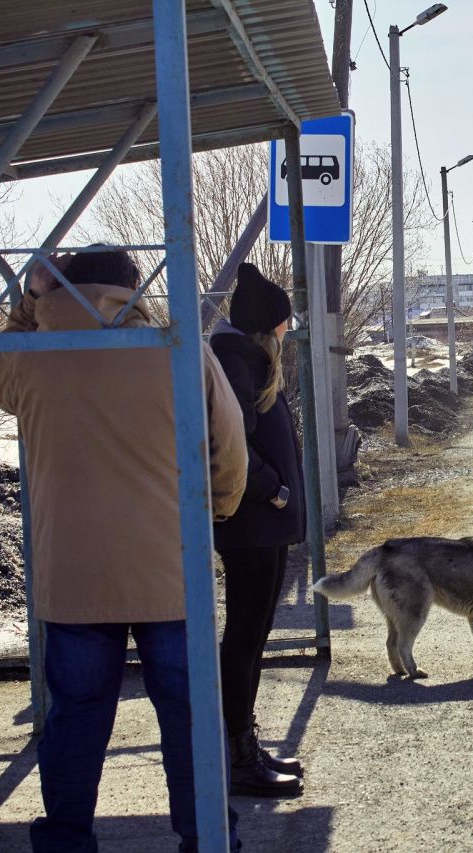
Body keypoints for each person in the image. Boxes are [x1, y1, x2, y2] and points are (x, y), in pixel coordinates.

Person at [0, 248, 249, 852]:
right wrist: (218, 512)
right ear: (133, 290)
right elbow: (229, 450)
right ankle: (205, 835)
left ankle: (67, 840)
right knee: (188, 713)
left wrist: (29, 306)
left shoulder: (31, 360)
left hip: (72, 577)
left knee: (74, 716)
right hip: (170, 567)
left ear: (56, 290)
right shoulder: (175, 350)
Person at [210, 262, 307, 798]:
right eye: (285, 323)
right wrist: (274, 489)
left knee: (253, 635)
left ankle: (245, 745)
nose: (288, 331)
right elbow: (233, 445)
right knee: (244, 637)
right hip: (250, 521)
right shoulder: (235, 360)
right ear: (268, 325)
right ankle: (238, 756)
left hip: (263, 525)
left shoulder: (244, 358)